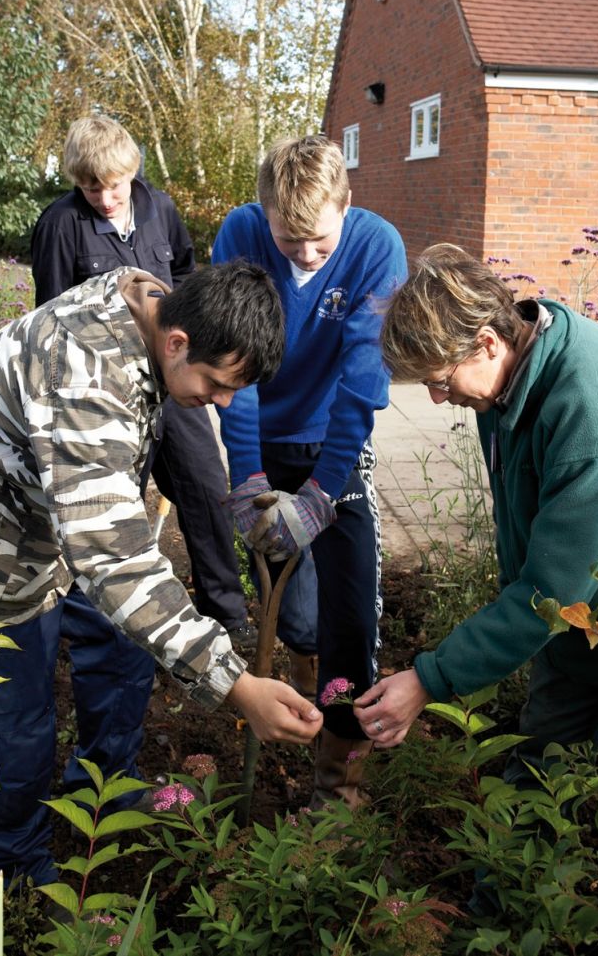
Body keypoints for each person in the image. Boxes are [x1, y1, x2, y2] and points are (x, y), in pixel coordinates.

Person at [0, 261, 321, 887]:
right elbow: (113, 559)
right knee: (19, 719)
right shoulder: (83, 374)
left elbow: (101, 530)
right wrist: (235, 685)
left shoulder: (149, 299)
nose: (223, 402)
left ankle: (104, 793)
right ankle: (15, 868)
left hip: (47, 512)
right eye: (216, 383)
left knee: (125, 651)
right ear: (177, 343)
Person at [354, 243, 598, 789]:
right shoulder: (507, 382)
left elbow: (554, 590)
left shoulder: (591, 419)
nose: (436, 397)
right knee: (542, 771)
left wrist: (430, 679)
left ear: (487, 342)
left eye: (440, 380)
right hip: (582, 611)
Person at [212, 134, 407, 808]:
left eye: (320, 241)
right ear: (263, 210)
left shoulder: (375, 247)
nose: (305, 255)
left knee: (349, 613)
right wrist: (247, 480)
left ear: (346, 206)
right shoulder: (239, 233)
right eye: (290, 239)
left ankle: (338, 785)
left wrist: (323, 494)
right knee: (290, 608)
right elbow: (235, 369)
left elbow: (361, 380)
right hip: (261, 439)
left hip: (335, 441)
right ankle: (296, 713)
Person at [31, 114, 253, 648]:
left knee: (205, 488)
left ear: (132, 172)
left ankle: (226, 616)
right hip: (106, 396)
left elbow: (182, 273)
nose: (105, 199)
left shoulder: (159, 208)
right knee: (108, 507)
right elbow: (50, 320)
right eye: (90, 188)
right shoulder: (61, 225)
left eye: (113, 185)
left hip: (174, 380)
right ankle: (100, 624)